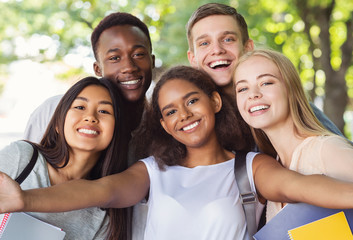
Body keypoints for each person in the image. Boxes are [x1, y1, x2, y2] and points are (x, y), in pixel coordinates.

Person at [1, 66, 353, 240]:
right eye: (169, 111)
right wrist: (25, 200)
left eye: (191, 101)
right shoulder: (152, 171)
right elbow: (97, 191)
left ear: (214, 101)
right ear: (165, 125)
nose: (182, 115)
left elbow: (309, 188)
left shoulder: (250, 167)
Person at [0, 76, 130, 239]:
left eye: (104, 111)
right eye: (80, 107)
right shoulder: (23, 157)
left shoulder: (104, 214)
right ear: (58, 123)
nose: (90, 117)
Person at [185, 3, 343, 136]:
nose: (217, 50)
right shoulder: (192, 118)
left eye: (228, 39)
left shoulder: (284, 102)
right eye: (204, 43)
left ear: (248, 48)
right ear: (192, 58)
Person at [233, 49, 353, 223]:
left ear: (291, 89)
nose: (253, 94)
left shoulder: (327, 149)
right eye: (242, 88)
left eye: (266, 83)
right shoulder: (273, 167)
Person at [23, 12, 155, 144]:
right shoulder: (53, 111)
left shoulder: (164, 123)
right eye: (114, 58)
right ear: (98, 69)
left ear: (152, 61)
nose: (129, 67)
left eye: (138, 54)